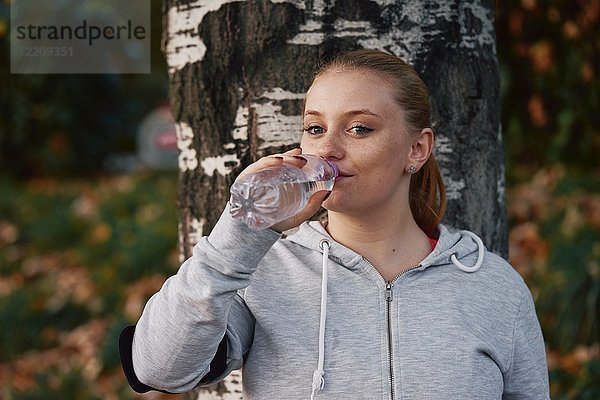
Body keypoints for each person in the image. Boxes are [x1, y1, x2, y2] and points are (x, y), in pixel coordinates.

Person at [119, 49, 550, 399]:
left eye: (359, 129)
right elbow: (158, 369)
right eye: (314, 127)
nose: (327, 148)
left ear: (417, 150)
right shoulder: (266, 274)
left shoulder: (493, 286)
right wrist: (241, 232)